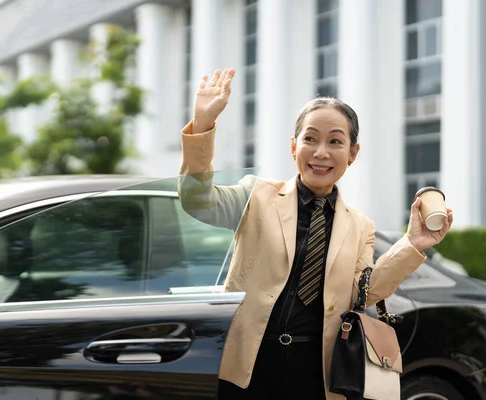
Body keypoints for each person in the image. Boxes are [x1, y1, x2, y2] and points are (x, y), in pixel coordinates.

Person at [177, 68, 454, 399]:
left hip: (318, 372)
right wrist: (204, 124)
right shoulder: (256, 195)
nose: (321, 152)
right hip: (248, 366)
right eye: (310, 139)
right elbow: (197, 201)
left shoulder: (360, 225)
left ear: (353, 153)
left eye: (335, 141)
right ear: (294, 147)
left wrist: (412, 244)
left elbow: (362, 294)